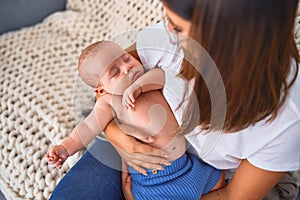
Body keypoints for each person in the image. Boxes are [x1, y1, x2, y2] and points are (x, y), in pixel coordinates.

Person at [50, 0, 300, 199]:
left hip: (203, 174)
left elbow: (232, 195)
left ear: (227, 41)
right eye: (168, 20)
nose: (167, 32)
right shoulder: (166, 40)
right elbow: (106, 84)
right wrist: (120, 138)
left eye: (177, 28)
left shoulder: (288, 120)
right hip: (139, 151)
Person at [45, 40, 224, 199]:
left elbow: (162, 78)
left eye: (125, 58)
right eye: (115, 72)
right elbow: (88, 127)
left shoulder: (148, 77)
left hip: (187, 167)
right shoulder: (109, 102)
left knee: (219, 180)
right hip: (153, 182)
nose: (127, 68)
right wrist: (66, 147)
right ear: (101, 90)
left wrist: (139, 86)